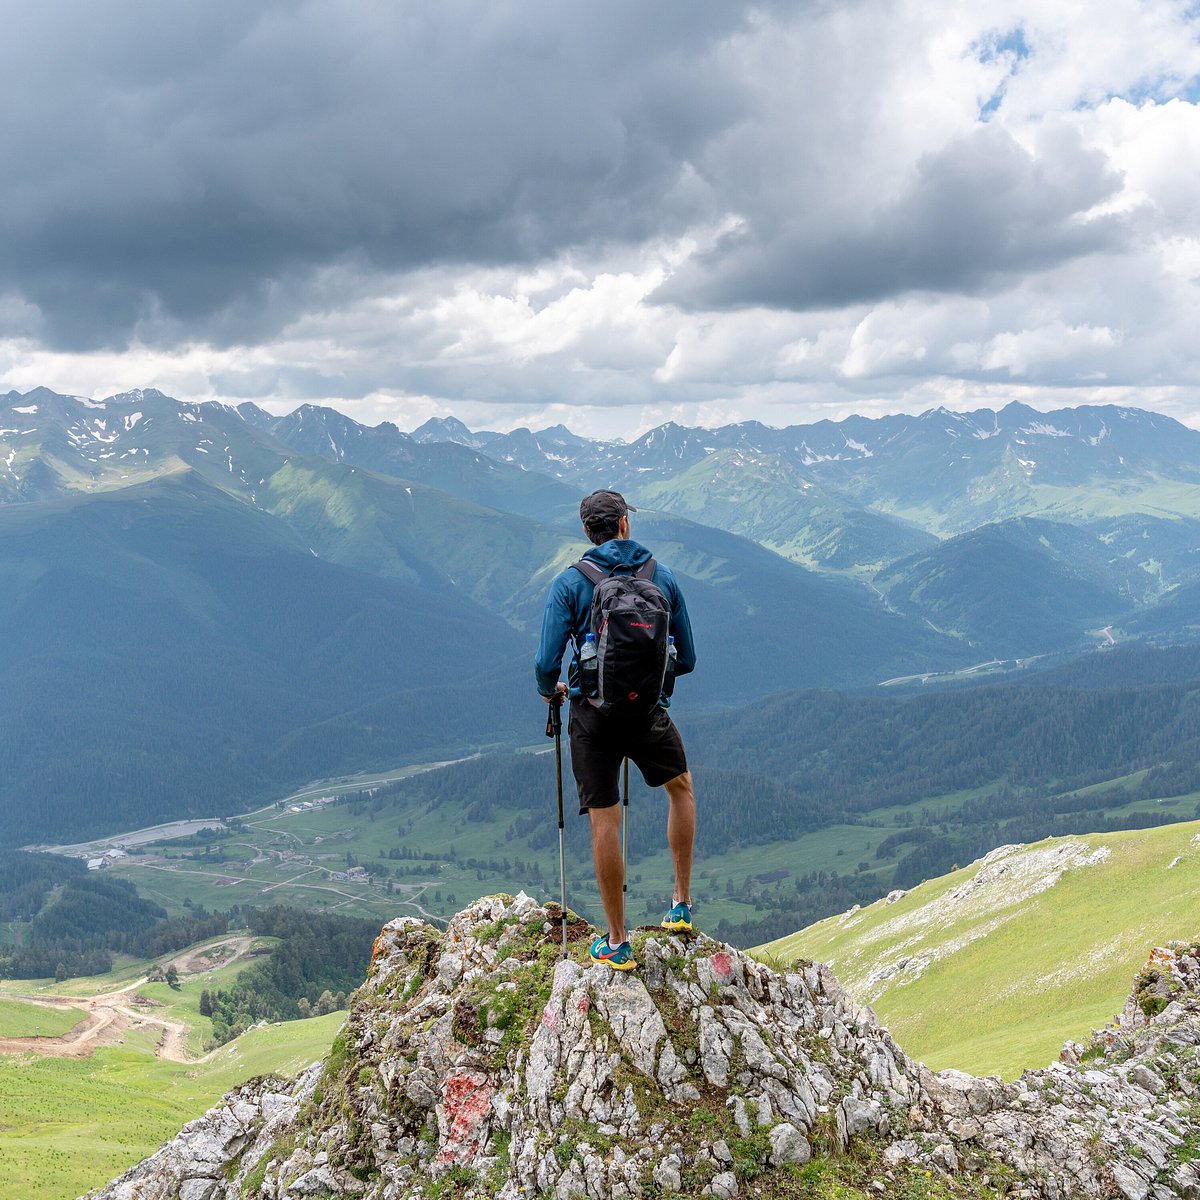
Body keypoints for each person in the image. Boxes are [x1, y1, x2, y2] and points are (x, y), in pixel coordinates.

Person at [535, 489, 697, 971]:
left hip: (593, 718)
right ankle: (681, 905)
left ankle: (617, 940)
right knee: (680, 789)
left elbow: (545, 663)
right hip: (648, 712)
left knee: (605, 821)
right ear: (625, 524)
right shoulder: (661, 577)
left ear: (588, 531)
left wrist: (554, 691)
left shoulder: (571, 582)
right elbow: (686, 658)